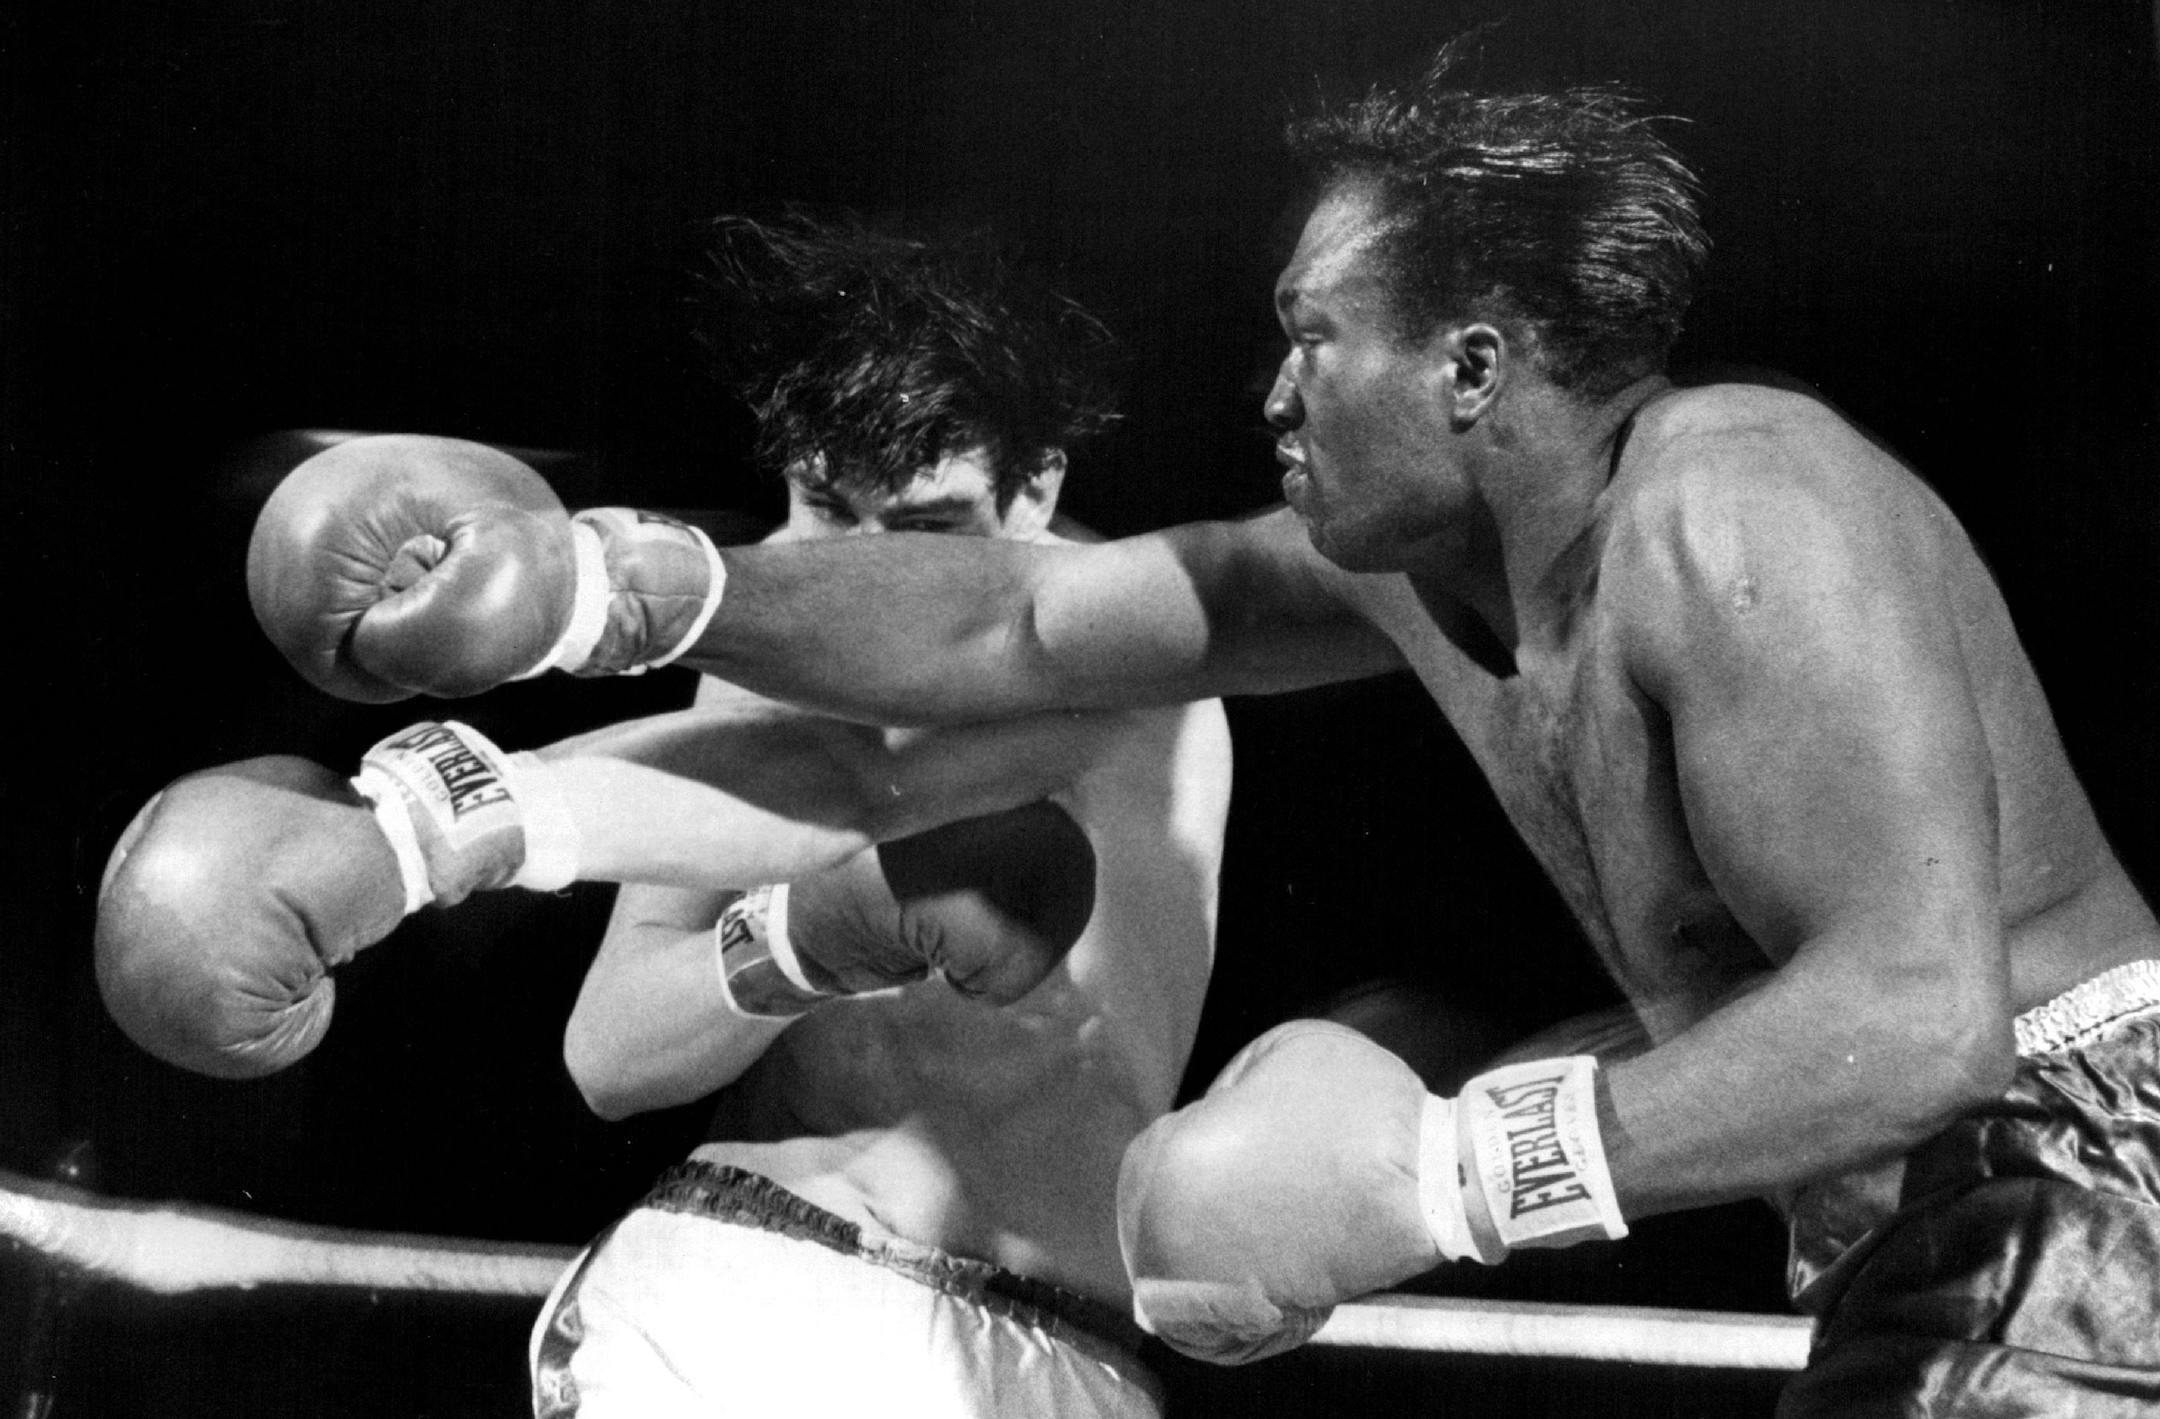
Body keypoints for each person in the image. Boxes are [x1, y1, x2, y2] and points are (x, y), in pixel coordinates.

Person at [243, 52, 2160, 1417]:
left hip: (2083, 1184)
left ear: (1471, 364)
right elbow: (1017, 621)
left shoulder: (1736, 507)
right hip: (1918, 1215)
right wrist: (619, 589)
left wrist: (1446, 1173)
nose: (1271, 390)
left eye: (1312, 334)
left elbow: (1926, 1013)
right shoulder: (1399, 574)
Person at [525, 216, 1231, 1418]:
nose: (860, 580)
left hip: (1053, 1360)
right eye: (821, 508)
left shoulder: (1139, 662)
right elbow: (608, 1057)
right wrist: (801, 948)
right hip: (748, 1299)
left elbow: (887, 791)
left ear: (1038, 488)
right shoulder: (759, 665)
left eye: (925, 529)